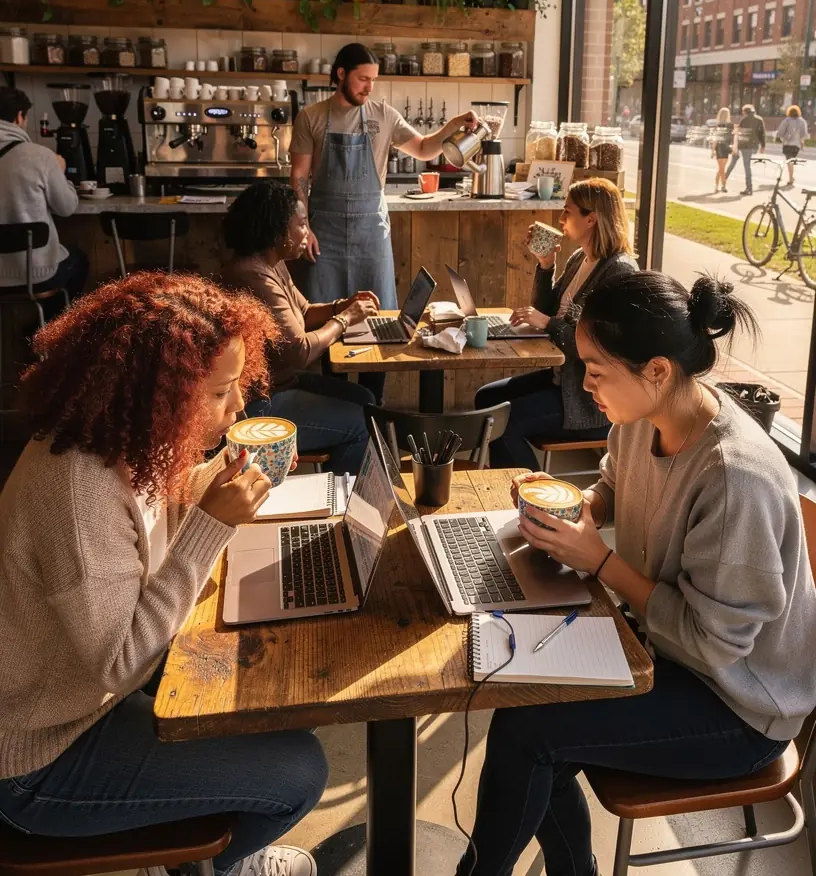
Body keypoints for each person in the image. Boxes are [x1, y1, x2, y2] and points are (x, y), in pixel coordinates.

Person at [457, 269, 816, 876]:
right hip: (666, 650)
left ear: (656, 370)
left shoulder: (733, 478)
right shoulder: (638, 419)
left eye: (596, 372)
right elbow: (613, 489)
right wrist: (573, 510)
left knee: (528, 731)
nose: (585, 384)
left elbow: (716, 643)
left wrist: (598, 560)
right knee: (523, 703)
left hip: (740, 708)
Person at [0, 273, 327, 876]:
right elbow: (121, 659)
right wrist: (211, 527)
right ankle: (212, 866)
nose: (238, 407)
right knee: (300, 771)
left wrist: (217, 486)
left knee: (272, 693)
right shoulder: (77, 490)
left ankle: (185, 845)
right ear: (160, 393)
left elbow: (154, 516)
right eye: (221, 392)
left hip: (93, 702)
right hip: (41, 756)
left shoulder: (124, 439)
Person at [289, 42, 481, 401]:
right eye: (363, 79)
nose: (369, 87)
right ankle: (340, 406)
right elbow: (298, 177)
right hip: (323, 235)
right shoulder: (311, 117)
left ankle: (371, 405)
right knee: (328, 323)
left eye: (374, 80)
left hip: (369, 236)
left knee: (381, 321)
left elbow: (424, 148)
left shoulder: (383, 114)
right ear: (341, 74)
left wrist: (452, 126)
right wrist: (304, 228)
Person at [474, 178, 635, 469]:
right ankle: (500, 485)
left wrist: (547, 324)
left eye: (567, 211)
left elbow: (599, 347)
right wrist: (545, 264)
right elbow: (545, 309)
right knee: (485, 398)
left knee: (501, 425)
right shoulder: (579, 259)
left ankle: (536, 500)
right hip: (562, 380)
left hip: (588, 399)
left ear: (591, 219)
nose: (560, 218)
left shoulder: (619, 271)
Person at [222, 181, 378, 473]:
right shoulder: (254, 277)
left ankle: (341, 479)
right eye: (302, 224)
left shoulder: (271, 263)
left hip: (282, 384)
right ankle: (341, 502)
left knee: (367, 401)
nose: (307, 232)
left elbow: (304, 313)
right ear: (278, 230)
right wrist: (344, 320)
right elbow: (299, 352)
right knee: (360, 423)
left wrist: (341, 306)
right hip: (259, 405)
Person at [0, 85, 87, 316]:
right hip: (36, 275)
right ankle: (50, 329)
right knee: (79, 261)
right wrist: (62, 171)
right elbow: (67, 208)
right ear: (20, 116)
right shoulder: (39, 156)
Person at [725, 102, 765, 195]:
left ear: (744, 112)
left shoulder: (744, 120)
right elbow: (762, 133)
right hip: (752, 146)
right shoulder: (759, 119)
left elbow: (739, 134)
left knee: (733, 163)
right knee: (747, 166)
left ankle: (724, 181)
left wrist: (735, 146)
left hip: (742, 145)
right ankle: (749, 187)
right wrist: (763, 146)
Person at [776, 104, 809, 188]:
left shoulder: (787, 120)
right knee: (791, 161)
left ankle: (791, 179)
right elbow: (804, 134)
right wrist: (802, 143)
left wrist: (781, 137)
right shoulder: (802, 121)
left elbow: (781, 130)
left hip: (788, 144)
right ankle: (791, 177)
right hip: (796, 145)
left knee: (789, 161)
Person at [710, 106, 733, 192]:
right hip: (723, 148)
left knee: (721, 169)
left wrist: (713, 151)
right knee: (722, 169)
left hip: (722, 148)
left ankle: (716, 186)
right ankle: (723, 186)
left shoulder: (723, 126)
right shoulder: (727, 126)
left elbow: (714, 140)